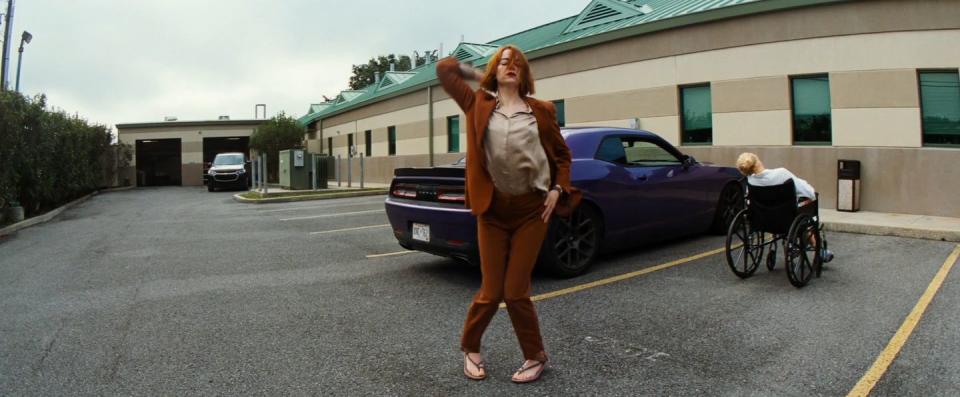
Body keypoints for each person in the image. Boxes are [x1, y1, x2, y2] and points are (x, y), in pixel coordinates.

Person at [436, 45, 572, 383]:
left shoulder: (541, 110)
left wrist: (558, 189)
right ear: (495, 72)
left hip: (532, 210)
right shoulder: (477, 104)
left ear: (524, 74)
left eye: (517, 64)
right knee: (491, 291)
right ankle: (470, 347)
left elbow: (562, 156)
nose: (511, 67)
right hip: (493, 211)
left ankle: (535, 356)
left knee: (515, 291)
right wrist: (479, 75)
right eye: (504, 63)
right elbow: (444, 69)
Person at [736, 152, 833, 262]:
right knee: (806, 214)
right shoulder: (781, 174)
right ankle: (818, 249)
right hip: (786, 219)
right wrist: (812, 193)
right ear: (758, 162)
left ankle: (777, 247)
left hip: (762, 220)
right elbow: (808, 191)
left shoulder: (751, 181)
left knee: (773, 208)